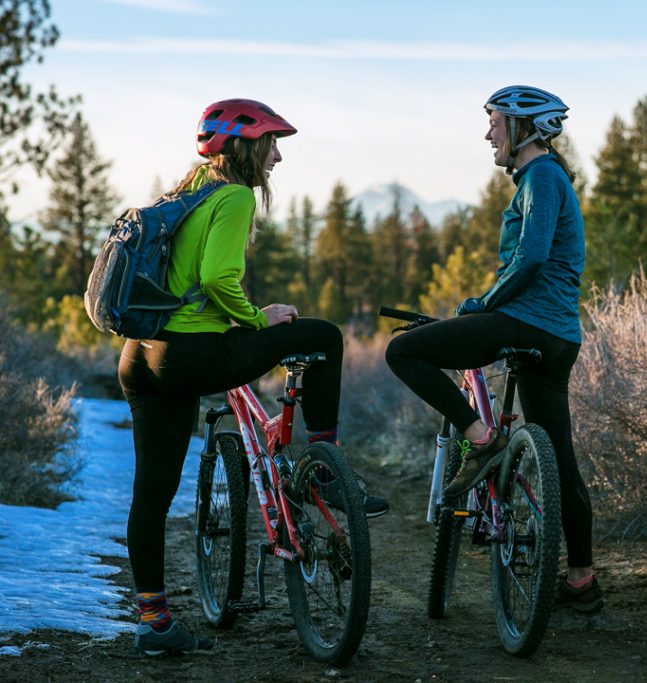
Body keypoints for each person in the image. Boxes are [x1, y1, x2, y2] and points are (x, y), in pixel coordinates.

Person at [118, 98, 389, 656]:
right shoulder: (235, 194)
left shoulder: (186, 191)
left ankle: (154, 622)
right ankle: (327, 466)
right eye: (270, 143)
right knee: (322, 336)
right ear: (243, 147)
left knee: (152, 492)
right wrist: (255, 316)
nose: (277, 156)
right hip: (190, 354)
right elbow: (218, 276)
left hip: (142, 356)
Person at [385, 85, 602, 613]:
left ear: (523, 129)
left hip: (523, 324)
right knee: (560, 460)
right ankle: (581, 580)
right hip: (557, 338)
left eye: (495, 123)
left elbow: (529, 261)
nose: (488, 133)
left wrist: (482, 303)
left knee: (403, 352)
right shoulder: (545, 177)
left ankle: (482, 437)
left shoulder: (543, 176)